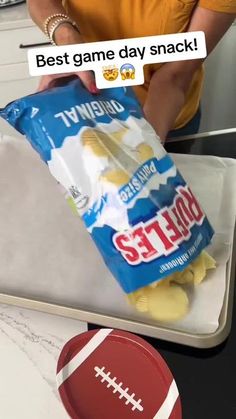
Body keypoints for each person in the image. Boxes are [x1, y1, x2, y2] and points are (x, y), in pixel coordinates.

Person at [27, 0, 236, 142]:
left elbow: (176, 74)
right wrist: (65, 34)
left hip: (165, 115)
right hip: (88, 108)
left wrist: (145, 149)